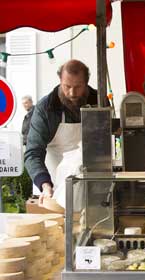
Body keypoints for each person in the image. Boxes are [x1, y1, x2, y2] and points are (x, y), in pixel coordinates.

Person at [24, 59, 103, 205]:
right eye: (67, 86)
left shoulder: (99, 101)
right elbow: (33, 152)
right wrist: (45, 184)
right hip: (52, 185)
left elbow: (103, 146)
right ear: (60, 80)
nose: (72, 93)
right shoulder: (46, 108)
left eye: (78, 87)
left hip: (89, 184)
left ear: (86, 83)